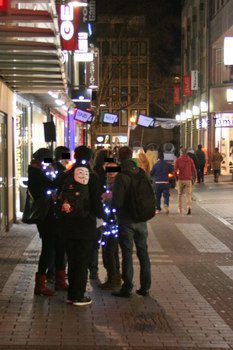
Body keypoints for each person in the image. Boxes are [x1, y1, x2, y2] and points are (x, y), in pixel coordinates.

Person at [61, 146, 103, 306]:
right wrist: (99, 216)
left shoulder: (67, 175)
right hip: (85, 225)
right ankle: (78, 295)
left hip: (67, 224)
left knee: (72, 260)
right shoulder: (92, 177)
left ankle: (72, 293)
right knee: (82, 260)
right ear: (90, 157)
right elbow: (96, 204)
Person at [111, 146, 151, 297]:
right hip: (142, 220)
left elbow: (117, 202)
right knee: (143, 253)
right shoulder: (142, 173)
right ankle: (145, 287)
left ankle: (127, 286)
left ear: (120, 158)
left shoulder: (121, 177)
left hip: (126, 220)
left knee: (127, 254)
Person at [28, 148, 68, 296]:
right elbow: (53, 185)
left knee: (59, 247)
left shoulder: (43, 171)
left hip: (53, 216)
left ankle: (60, 281)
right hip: (46, 218)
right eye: (48, 159)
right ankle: (40, 285)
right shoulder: (36, 173)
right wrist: (60, 174)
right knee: (47, 249)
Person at [46, 146, 70, 283]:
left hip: (52, 212)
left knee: (52, 245)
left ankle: (54, 272)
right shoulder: (61, 171)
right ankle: (55, 272)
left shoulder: (52, 168)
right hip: (58, 212)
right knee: (59, 244)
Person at [88, 148, 112, 280]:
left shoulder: (102, 171)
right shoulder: (97, 173)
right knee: (97, 241)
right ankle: (93, 268)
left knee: (101, 241)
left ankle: (95, 268)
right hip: (99, 211)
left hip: (105, 211)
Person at [98, 160, 121, 290]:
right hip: (107, 222)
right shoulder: (107, 184)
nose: (111, 173)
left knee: (110, 250)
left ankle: (113, 277)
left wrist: (108, 198)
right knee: (111, 250)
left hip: (114, 222)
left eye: (113, 170)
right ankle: (115, 275)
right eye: (108, 170)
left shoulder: (117, 185)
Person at [174, 148, 197, 215]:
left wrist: (176, 178)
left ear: (181, 153)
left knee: (180, 194)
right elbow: (194, 170)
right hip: (188, 179)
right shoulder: (190, 160)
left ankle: (180, 208)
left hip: (180, 179)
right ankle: (189, 206)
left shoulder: (178, 160)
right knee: (188, 194)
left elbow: (175, 170)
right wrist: (195, 178)